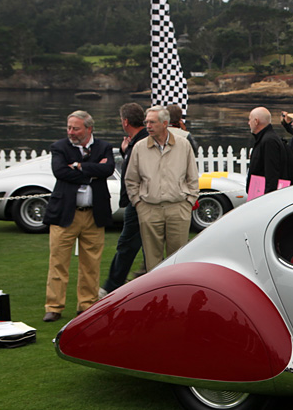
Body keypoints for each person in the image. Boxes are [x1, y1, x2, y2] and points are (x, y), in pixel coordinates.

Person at [42, 111, 115, 322]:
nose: (71, 132)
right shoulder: (60, 147)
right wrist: (94, 170)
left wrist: (79, 166)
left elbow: (108, 169)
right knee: (58, 262)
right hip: (65, 214)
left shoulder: (103, 147)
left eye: (75, 128)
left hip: (94, 214)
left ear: (89, 129)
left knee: (91, 264)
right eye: (69, 128)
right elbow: (60, 172)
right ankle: (54, 307)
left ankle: (87, 305)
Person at [125, 106, 199, 273]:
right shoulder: (139, 147)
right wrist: (138, 204)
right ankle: (156, 297)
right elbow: (131, 179)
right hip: (149, 209)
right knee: (152, 261)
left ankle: (176, 295)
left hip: (178, 208)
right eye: (146, 122)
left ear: (165, 123)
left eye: (152, 122)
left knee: (178, 259)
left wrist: (188, 202)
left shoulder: (183, 145)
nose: (148, 126)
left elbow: (192, 177)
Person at [99, 103, 148, 298]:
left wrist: (134, 200)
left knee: (127, 245)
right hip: (139, 201)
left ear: (125, 121)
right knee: (143, 245)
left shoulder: (141, 142)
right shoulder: (137, 142)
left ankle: (112, 285)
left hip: (137, 203)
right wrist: (125, 150)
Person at [247, 107, 288, 195]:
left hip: (264, 195)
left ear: (256, 121)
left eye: (250, 120)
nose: (248, 123)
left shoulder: (269, 141)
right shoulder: (265, 138)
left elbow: (272, 173)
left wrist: (268, 197)